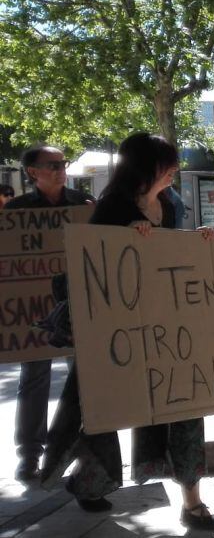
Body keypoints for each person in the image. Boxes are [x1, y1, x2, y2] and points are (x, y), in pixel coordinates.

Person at [39, 133, 214, 529]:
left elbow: (171, 257)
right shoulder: (112, 206)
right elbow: (93, 268)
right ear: (147, 168)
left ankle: (192, 503)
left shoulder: (171, 203)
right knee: (103, 412)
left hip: (165, 329)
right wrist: (125, 239)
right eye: (168, 163)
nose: (175, 169)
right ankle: (90, 484)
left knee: (186, 406)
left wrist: (199, 244)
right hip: (117, 337)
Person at [4, 145, 94, 484]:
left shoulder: (82, 206)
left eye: (62, 164)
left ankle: (81, 452)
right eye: (51, 165)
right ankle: (30, 456)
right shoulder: (15, 211)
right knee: (34, 379)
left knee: (82, 383)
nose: (60, 169)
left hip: (78, 308)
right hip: (35, 311)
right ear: (33, 172)